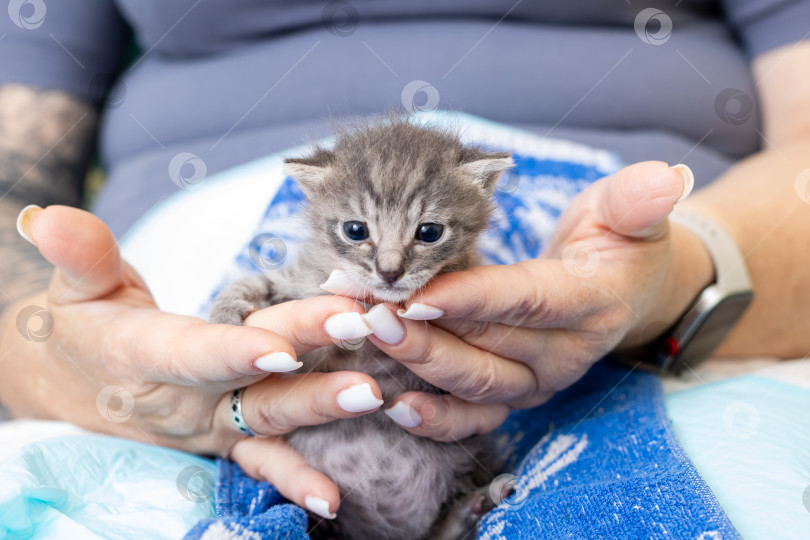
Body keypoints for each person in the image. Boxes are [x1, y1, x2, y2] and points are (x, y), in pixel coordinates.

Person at [1, 0, 809, 520]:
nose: (389, 269)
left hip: (657, 299)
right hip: (187, 291)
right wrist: (53, 346)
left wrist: (690, 277)